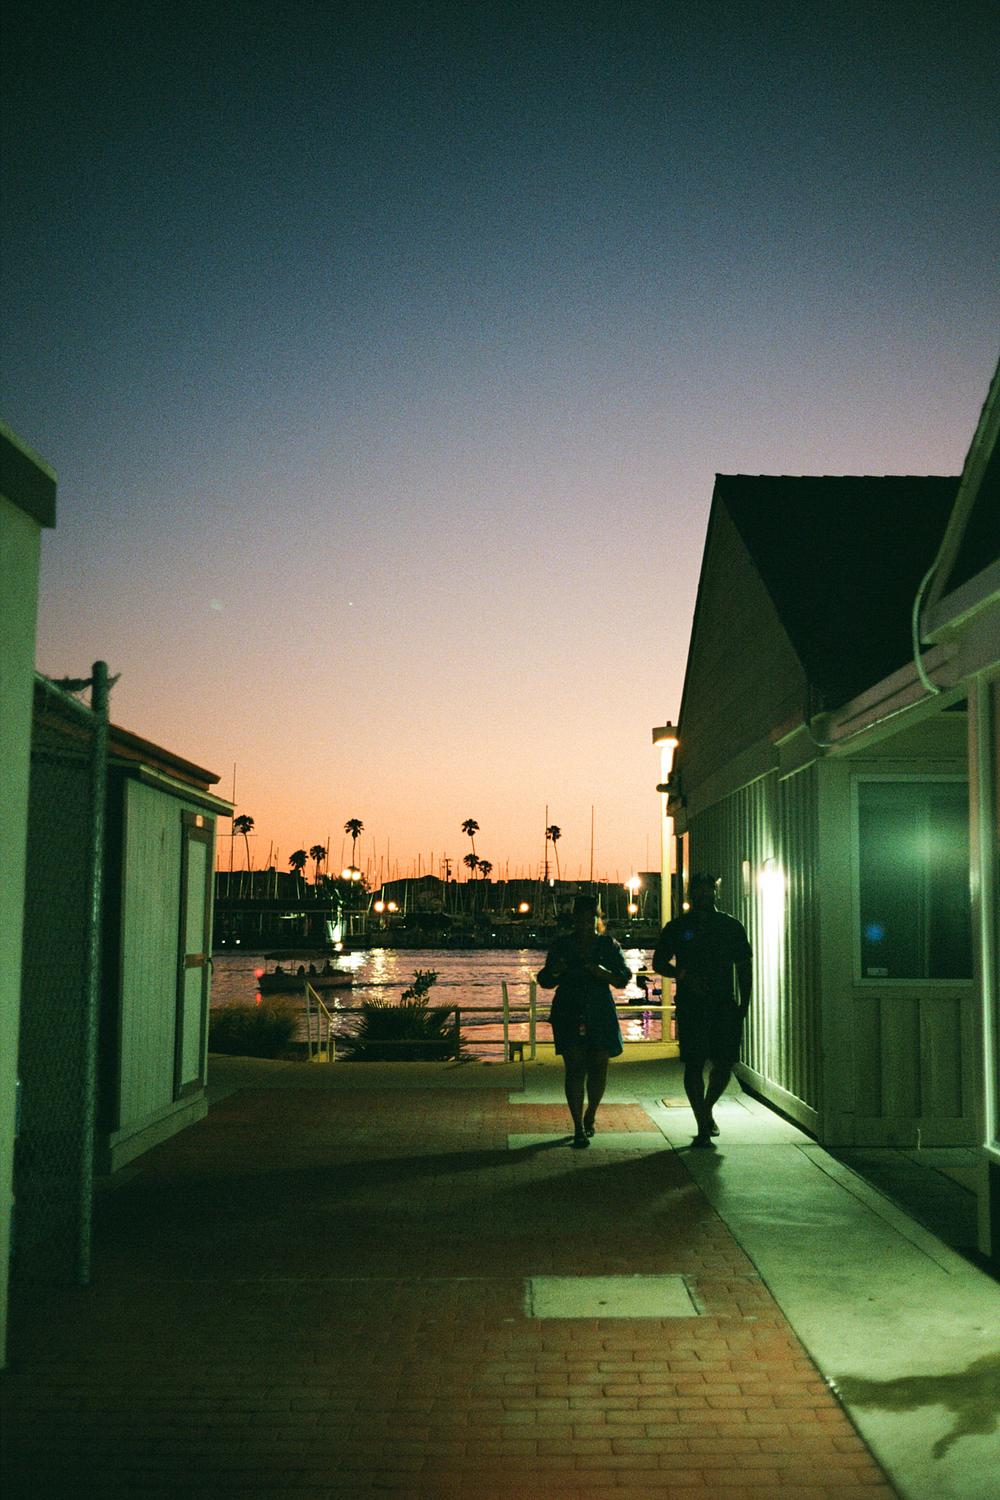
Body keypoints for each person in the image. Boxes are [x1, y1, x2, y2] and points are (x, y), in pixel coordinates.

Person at [652, 873, 752, 1147]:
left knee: (725, 1063)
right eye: (699, 892)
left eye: (709, 891)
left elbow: (744, 966)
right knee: (694, 1063)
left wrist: (744, 1005)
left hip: (724, 1004)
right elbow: (659, 962)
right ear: (691, 894)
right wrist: (683, 975)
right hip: (691, 1005)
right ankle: (702, 1126)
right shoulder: (678, 927)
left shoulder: (731, 926)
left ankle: (706, 1109)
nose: (704, 896)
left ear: (716, 893)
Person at [536, 894, 632, 1148]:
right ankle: (578, 1125)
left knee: (599, 1065)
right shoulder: (562, 945)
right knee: (575, 1067)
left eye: (589, 919)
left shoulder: (608, 945)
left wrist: (601, 972)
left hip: (599, 1010)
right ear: (574, 919)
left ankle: (590, 1114)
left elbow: (623, 977)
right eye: (580, 918)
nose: (585, 924)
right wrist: (557, 970)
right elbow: (545, 979)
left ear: (596, 919)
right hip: (568, 1010)